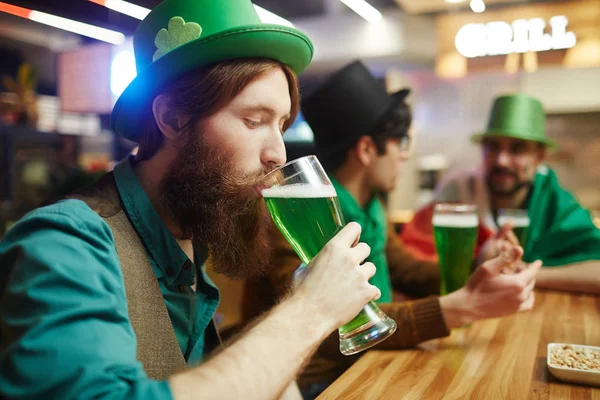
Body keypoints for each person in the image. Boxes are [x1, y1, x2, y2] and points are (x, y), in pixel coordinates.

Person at [0, 2, 384, 399]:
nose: (278, 153)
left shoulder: (189, 234)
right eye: (254, 121)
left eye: (282, 125)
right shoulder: (63, 244)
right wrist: (309, 310)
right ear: (173, 119)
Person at [241, 61, 541, 397]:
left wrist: (477, 266)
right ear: (368, 149)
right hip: (318, 382)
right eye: (401, 144)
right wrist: (457, 308)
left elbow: (404, 268)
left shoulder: (370, 205)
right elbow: (326, 327)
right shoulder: (299, 214)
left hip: (371, 361)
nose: (405, 157)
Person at [401, 93, 600, 294]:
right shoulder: (457, 190)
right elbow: (408, 263)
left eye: (517, 149)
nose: (501, 160)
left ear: (539, 156)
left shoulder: (553, 200)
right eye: (493, 147)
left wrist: (525, 272)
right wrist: (479, 264)